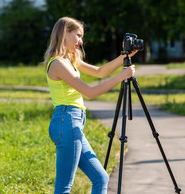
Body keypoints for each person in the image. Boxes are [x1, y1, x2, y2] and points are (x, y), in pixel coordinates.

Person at [43, 17, 136, 194]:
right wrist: (120, 77)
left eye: (81, 37)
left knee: (101, 178)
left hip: (72, 123)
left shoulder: (69, 61)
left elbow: (100, 72)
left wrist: (125, 56)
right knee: (63, 188)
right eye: (77, 35)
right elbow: (90, 92)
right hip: (67, 122)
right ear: (64, 33)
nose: (81, 41)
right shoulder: (58, 63)